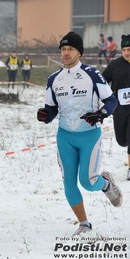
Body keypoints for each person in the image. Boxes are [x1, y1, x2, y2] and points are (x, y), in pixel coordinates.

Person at [37, 31, 122, 236]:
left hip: (89, 136)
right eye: (63, 49)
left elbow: (111, 101)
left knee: (88, 182)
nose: (66, 53)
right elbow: (51, 108)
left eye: (70, 49)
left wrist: (100, 114)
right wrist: (45, 115)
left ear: (79, 52)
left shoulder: (92, 74)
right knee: (68, 182)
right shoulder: (53, 79)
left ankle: (106, 183)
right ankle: (84, 223)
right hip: (65, 136)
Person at [102, 34, 130, 180]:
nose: (126, 52)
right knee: (122, 141)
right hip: (119, 109)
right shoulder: (114, 65)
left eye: (129, 49)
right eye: (124, 49)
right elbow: (102, 82)